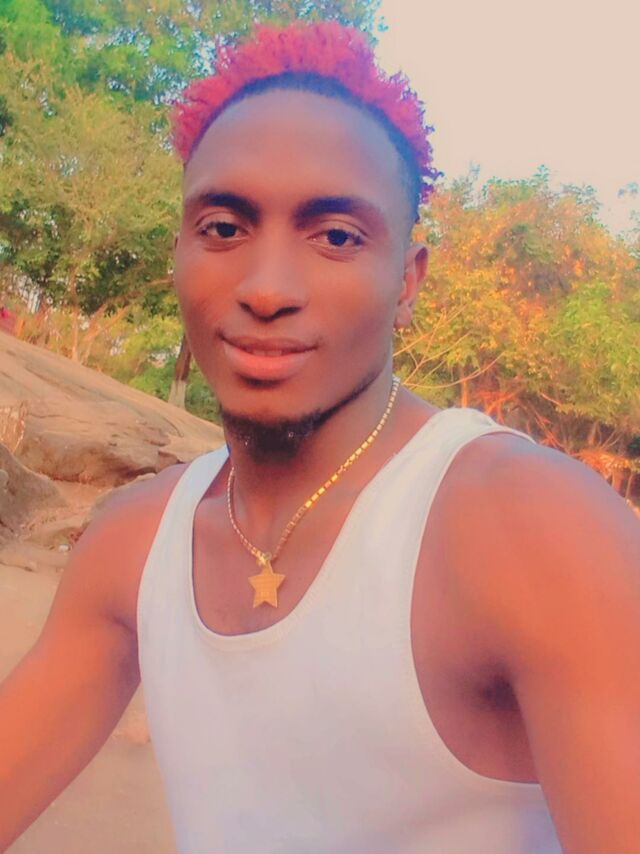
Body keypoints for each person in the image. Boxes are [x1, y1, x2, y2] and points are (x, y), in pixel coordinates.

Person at [1, 20, 639, 854]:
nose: (266, 289)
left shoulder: (532, 532)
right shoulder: (133, 546)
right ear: (179, 252)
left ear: (407, 280)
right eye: (223, 228)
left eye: (336, 236)